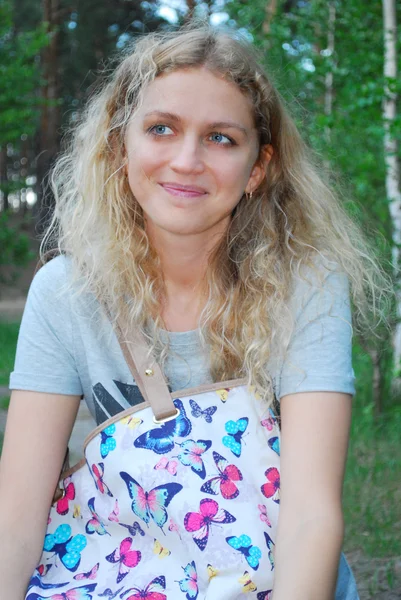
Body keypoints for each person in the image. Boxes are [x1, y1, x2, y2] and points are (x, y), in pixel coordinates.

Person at [0, 23, 388, 600]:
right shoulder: (65, 292)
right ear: (119, 145)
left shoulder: (306, 284)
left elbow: (311, 518)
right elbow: (15, 522)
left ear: (258, 167)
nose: (186, 160)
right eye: (161, 129)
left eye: (221, 139)